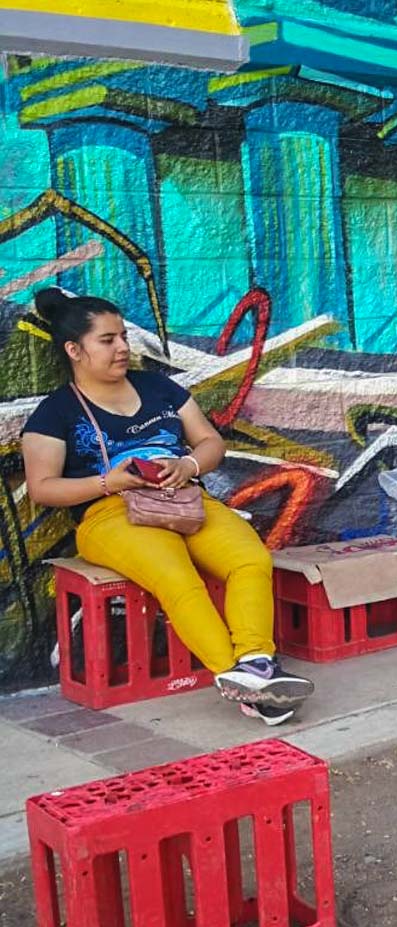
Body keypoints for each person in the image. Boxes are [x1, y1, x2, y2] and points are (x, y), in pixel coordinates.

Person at [20, 289, 314, 725]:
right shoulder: (55, 412)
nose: (123, 347)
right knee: (177, 577)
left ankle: (255, 662)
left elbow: (210, 441)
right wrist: (109, 482)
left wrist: (188, 464)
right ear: (74, 350)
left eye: (123, 336)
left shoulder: (158, 387)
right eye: (107, 340)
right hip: (109, 514)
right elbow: (42, 488)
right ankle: (244, 680)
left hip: (184, 498)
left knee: (250, 560)